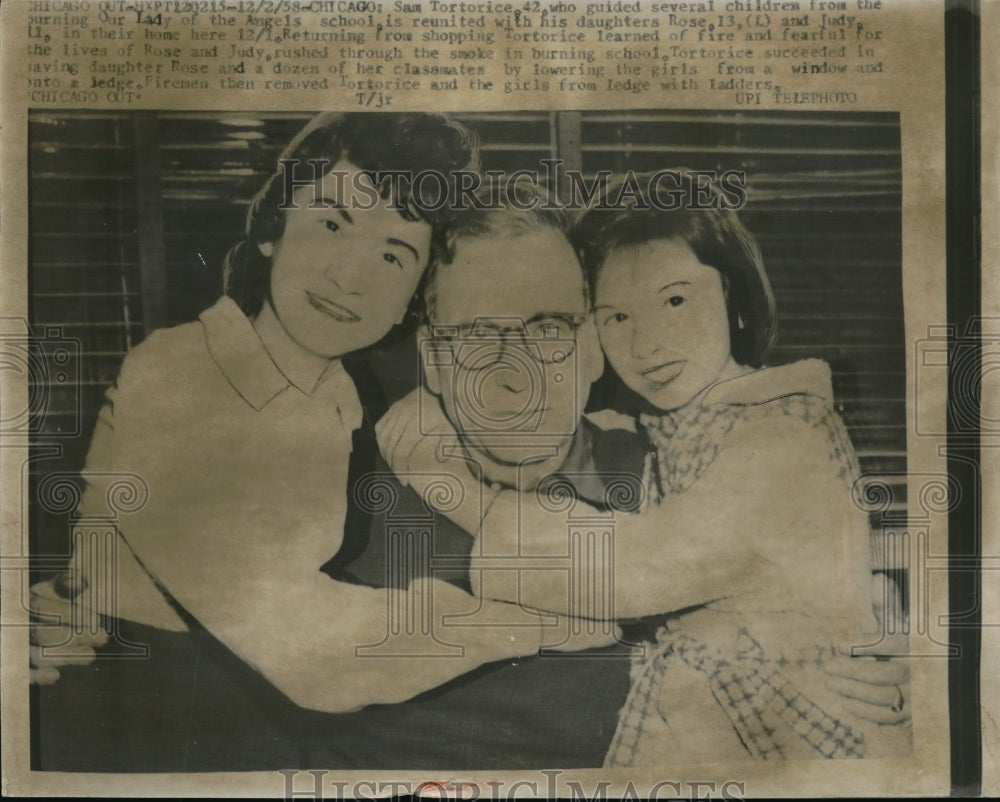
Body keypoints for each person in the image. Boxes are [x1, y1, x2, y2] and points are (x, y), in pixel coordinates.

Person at [28, 113, 585, 771]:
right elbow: (314, 656)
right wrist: (538, 619)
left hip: (259, 730)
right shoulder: (176, 370)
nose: (351, 278)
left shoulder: (349, 387)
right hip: (138, 731)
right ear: (274, 227)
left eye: (392, 254)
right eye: (331, 223)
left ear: (413, 293)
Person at [381, 171, 912, 765]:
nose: (649, 343)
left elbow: (630, 569)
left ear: (736, 298)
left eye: (676, 300)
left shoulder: (774, 437)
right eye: (618, 318)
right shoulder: (674, 430)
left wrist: (452, 485)